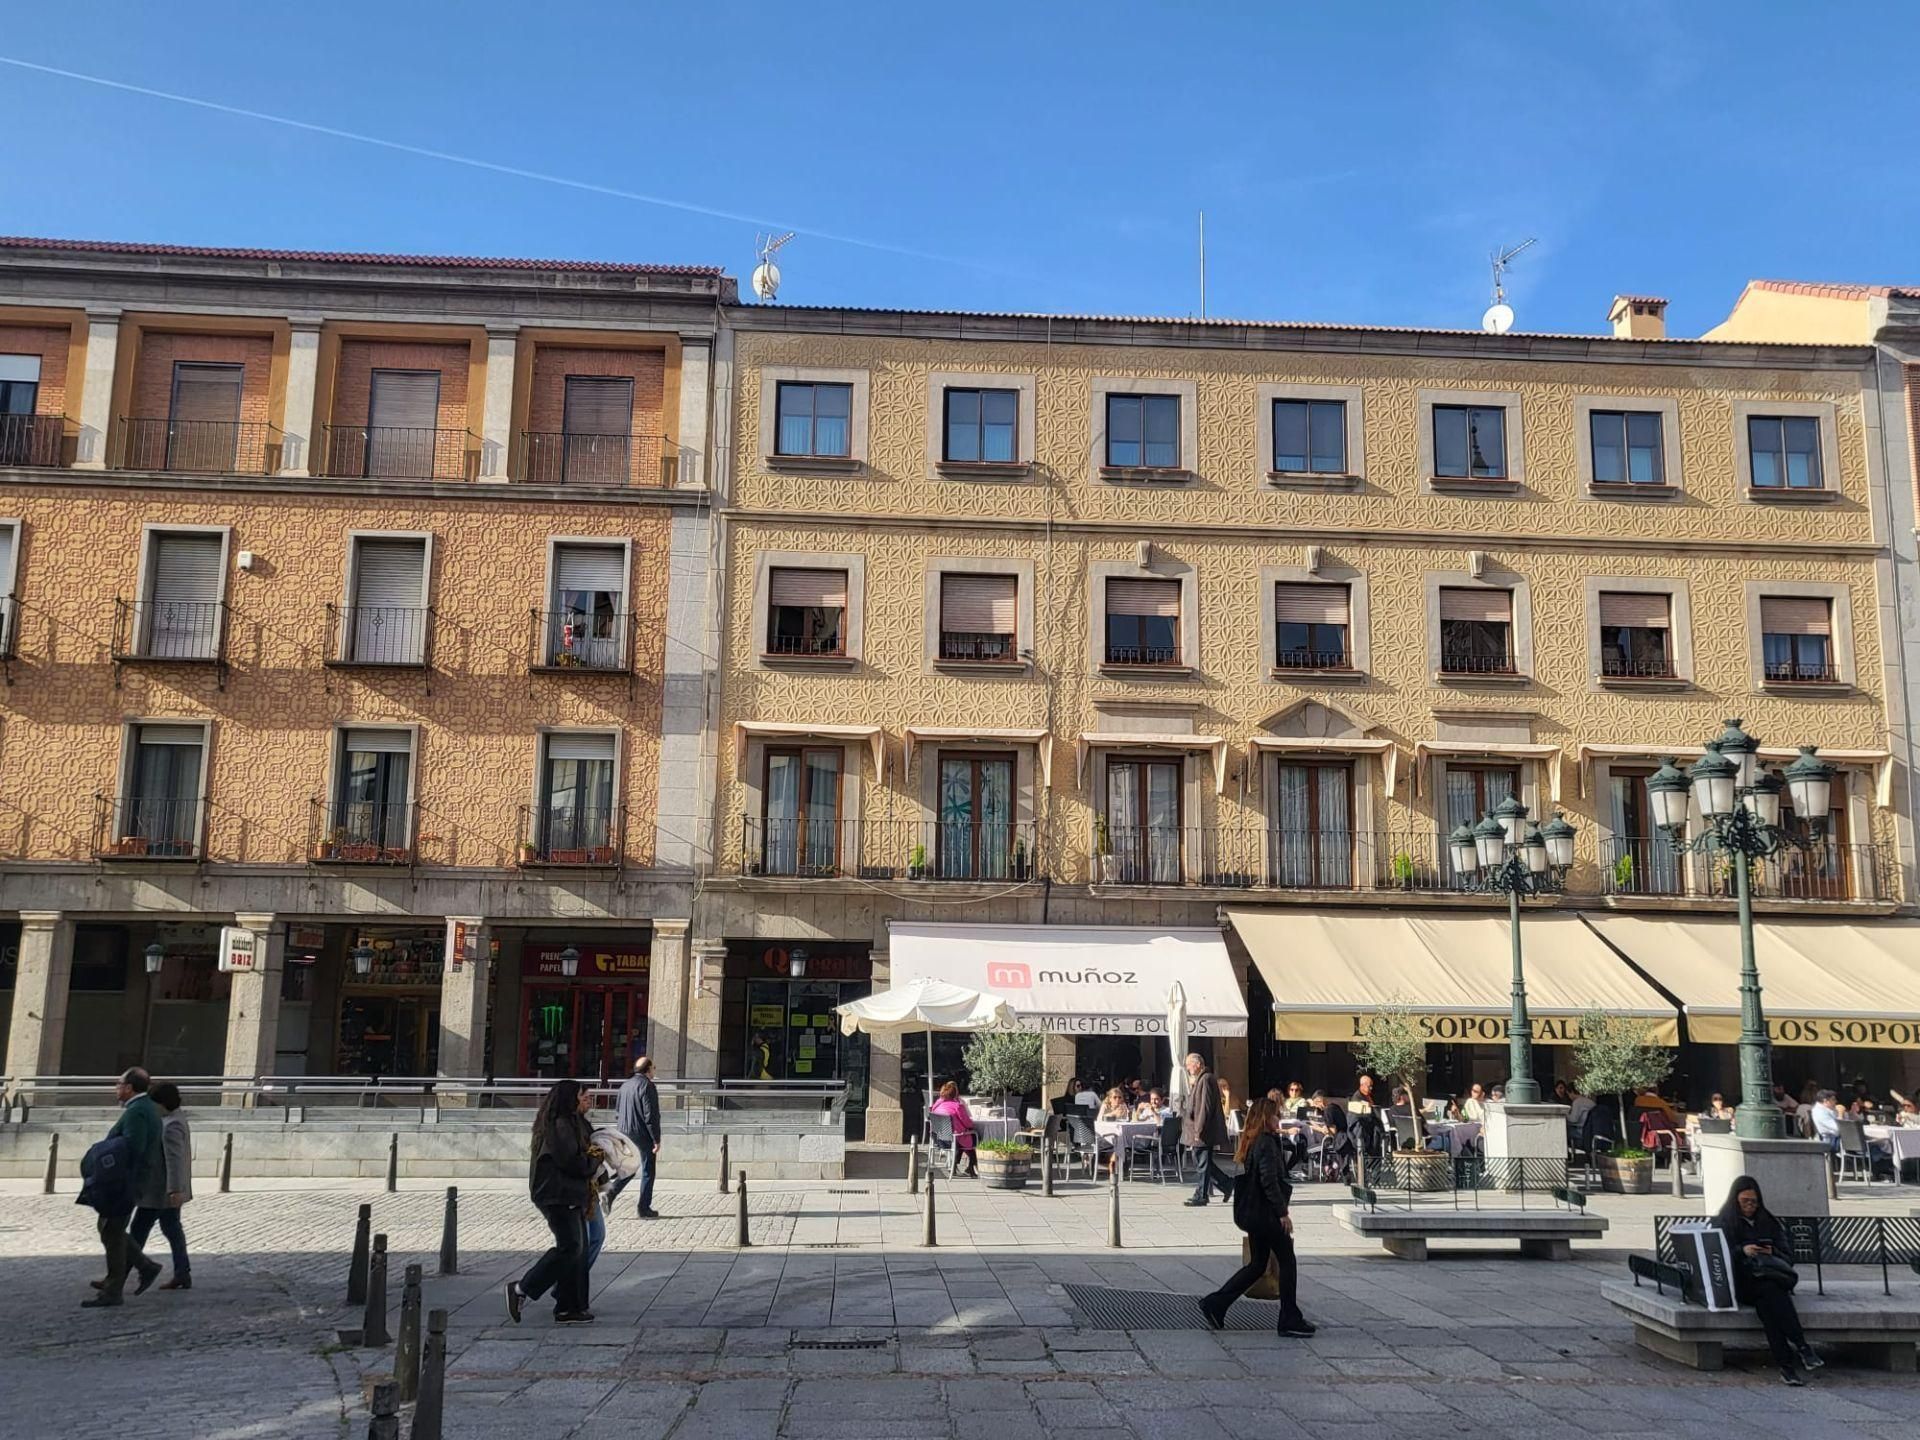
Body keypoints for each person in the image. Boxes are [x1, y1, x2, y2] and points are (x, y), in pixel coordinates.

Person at [1198, 1096, 1314, 1338]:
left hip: (1254, 1212)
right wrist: (1283, 1213)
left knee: (1258, 1264)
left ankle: (1216, 1303)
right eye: (1275, 1115)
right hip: (1266, 1215)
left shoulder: (1253, 1140)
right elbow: (1268, 1180)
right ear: (1265, 1118)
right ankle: (1289, 1317)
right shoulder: (1266, 1143)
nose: (1278, 1119)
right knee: (1287, 1261)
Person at [506, 1079, 599, 1325]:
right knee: (570, 1247)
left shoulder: (574, 1122)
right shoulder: (560, 1125)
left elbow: (590, 1146)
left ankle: (570, 1307)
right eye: (582, 1095)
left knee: (579, 1250)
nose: (586, 1099)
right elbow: (573, 1161)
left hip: (572, 1193)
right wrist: (594, 1162)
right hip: (558, 1194)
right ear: (571, 1099)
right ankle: (522, 1288)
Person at [1716, 1175, 1821, 1385]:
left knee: (1770, 1308)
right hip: (1743, 1282)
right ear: (1735, 1200)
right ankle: (1802, 1347)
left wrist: (1771, 1252)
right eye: (1745, 1201)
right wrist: (1742, 1251)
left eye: (1753, 1202)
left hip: (1770, 1278)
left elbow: (1788, 1256)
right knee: (1773, 1296)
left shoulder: (1768, 1221)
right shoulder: (1724, 1221)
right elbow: (1717, 1255)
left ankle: (1788, 1368)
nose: (1749, 1206)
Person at [81, 1067, 164, 1307]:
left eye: (119, 1084)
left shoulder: (138, 1111)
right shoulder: (142, 1108)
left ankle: (114, 1289)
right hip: (131, 1180)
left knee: (112, 1230)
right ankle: (143, 1268)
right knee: (110, 1228)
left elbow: (131, 1147)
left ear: (129, 1087)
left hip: (126, 1181)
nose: (116, 1088)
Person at [127, 1080, 192, 1291]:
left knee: (138, 1231)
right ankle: (182, 1273)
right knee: (172, 1231)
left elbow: (174, 1160)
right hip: (165, 1191)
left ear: (162, 1103)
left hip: (160, 1192)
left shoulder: (170, 1125)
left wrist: (174, 1190)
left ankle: (118, 1275)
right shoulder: (176, 1119)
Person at [1181, 1052, 1235, 1207]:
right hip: (1201, 1130)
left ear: (1197, 1064)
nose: (1187, 1068)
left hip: (1204, 1131)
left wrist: (1199, 1130)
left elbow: (1204, 1107)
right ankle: (1226, 1184)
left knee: (1202, 1162)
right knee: (1202, 1161)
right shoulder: (1202, 1079)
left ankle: (1201, 1195)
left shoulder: (1205, 1079)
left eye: (1189, 1065)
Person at [612, 1055, 662, 1219]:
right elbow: (650, 1115)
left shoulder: (625, 1085)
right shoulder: (648, 1086)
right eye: (653, 1068)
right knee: (648, 1170)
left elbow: (618, 1111)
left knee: (628, 1169)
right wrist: (656, 1139)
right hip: (641, 1134)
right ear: (648, 1070)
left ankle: (609, 1195)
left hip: (624, 1132)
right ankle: (644, 1207)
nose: (654, 1071)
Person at [929, 1081, 980, 1177]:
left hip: (938, 1139)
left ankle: (957, 1168)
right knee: (974, 1138)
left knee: (960, 1141)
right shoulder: (957, 1106)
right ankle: (970, 1167)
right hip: (953, 1139)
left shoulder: (937, 1106)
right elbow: (968, 1123)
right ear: (954, 1094)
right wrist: (970, 1127)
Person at [1808, 1090, 1842, 1155]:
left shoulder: (1828, 1109)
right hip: (1830, 1140)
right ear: (1825, 1101)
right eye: (1833, 1099)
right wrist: (1840, 1113)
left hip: (1837, 1138)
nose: (1836, 1102)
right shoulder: (1820, 1112)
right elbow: (1838, 1128)